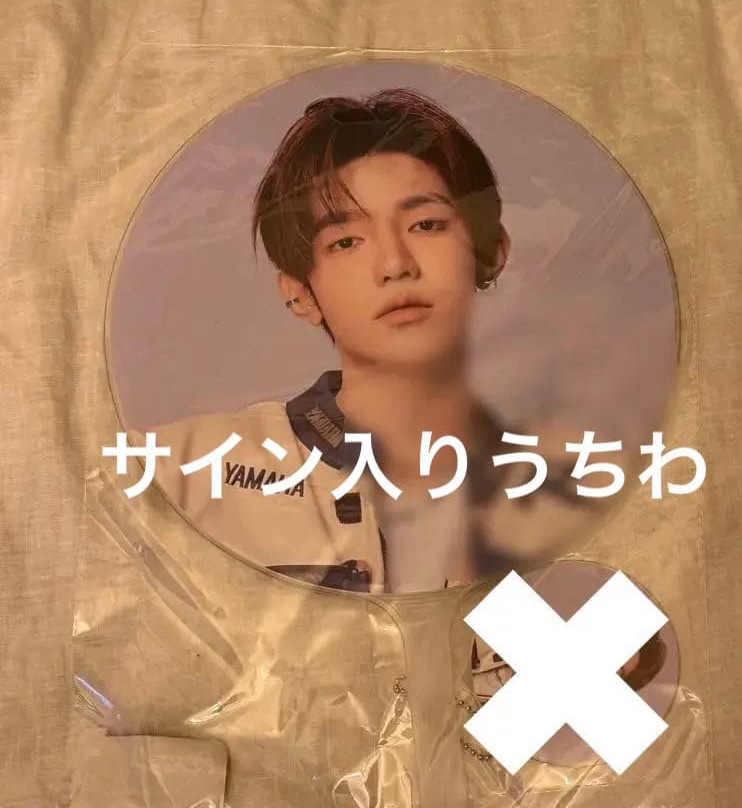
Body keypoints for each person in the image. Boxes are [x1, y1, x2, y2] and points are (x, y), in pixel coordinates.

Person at [134, 88, 627, 701]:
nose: (394, 264)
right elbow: (122, 697)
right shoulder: (177, 472)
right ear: (299, 293)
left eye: (426, 224)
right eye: (346, 241)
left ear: (489, 252)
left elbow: (618, 726)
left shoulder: (585, 480)